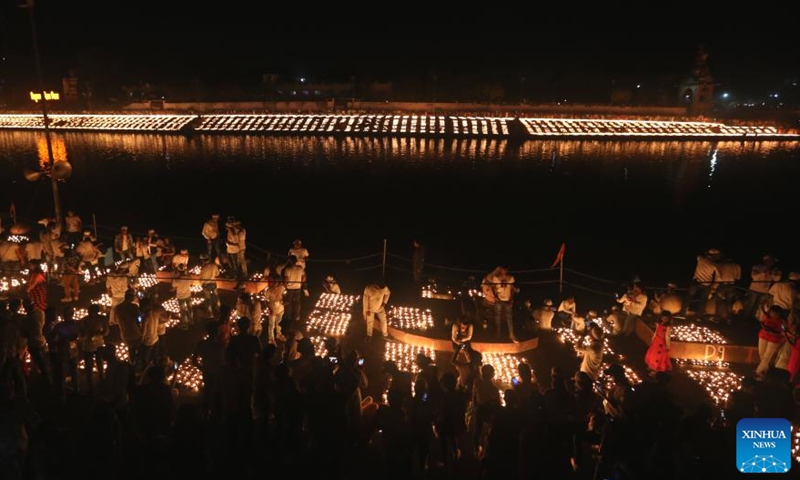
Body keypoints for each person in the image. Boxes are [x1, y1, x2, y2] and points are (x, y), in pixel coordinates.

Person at [755, 305, 787, 379]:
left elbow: (784, 331)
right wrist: (765, 327)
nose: (774, 315)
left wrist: (775, 332)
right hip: (763, 336)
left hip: (774, 339)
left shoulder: (782, 322)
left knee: (767, 356)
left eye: (776, 314)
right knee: (762, 354)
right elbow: (762, 323)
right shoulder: (766, 317)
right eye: (772, 313)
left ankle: (758, 372)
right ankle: (765, 371)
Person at [486, 266, 517, 341]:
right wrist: (495, 296)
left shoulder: (511, 278)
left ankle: (511, 334)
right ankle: (498, 334)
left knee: (509, 317)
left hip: (507, 300)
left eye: (505, 270)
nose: (503, 271)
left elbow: (512, 289)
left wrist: (511, 299)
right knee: (497, 317)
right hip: (499, 300)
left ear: (507, 270)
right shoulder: (496, 278)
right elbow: (493, 287)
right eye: (502, 269)